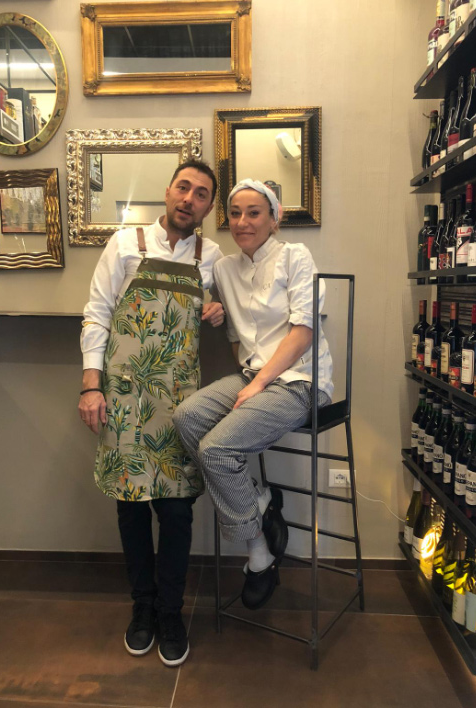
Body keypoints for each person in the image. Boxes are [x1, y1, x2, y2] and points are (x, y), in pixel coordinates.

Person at [79, 160, 224, 667]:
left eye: (201, 194)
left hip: (179, 404)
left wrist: (218, 309)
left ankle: (170, 612)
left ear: (209, 207)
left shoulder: (213, 257)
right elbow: (97, 314)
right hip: (122, 398)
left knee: (178, 512)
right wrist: (91, 386)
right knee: (132, 508)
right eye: (184, 187)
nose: (189, 198)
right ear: (168, 191)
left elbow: (239, 311)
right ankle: (141, 607)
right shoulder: (124, 245)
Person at [173, 178, 333, 611]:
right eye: (236, 213)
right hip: (251, 375)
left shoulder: (295, 256)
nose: (243, 221)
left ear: (274, 219)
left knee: (216, 450)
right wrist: (214, 310)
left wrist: (260, 383)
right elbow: (233, 335)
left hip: (300, 380)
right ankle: (258, 501)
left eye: (255, 212)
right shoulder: (224, 269)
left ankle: (259, 554)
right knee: (187, 417)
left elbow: (303, 332)